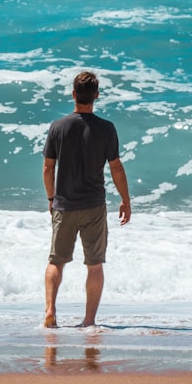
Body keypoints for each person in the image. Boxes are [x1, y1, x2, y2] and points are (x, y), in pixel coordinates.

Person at [42, 71, 131, 328]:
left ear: (73, 95)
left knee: (56, 261)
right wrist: (125, 200)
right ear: (96, 96)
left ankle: (50, 310)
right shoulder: (106, 129)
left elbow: (48, 168)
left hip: (64, 205)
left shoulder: (58, 127)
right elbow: (116, 168)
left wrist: (51, 197)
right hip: (93, 206)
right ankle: (89, 320)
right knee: (94, 265)